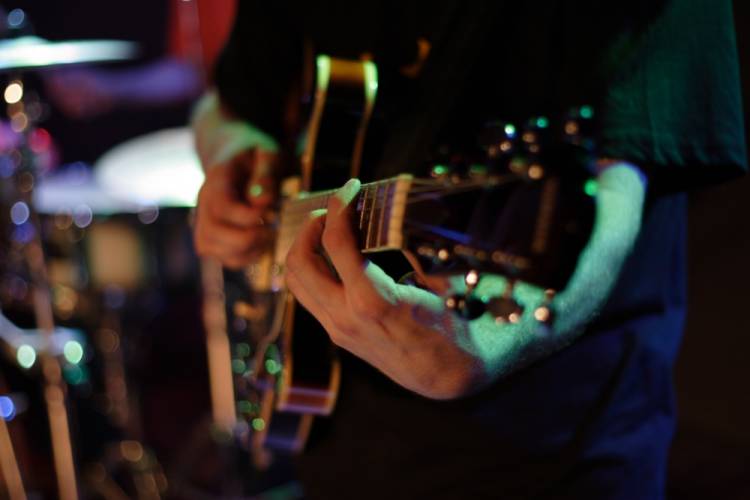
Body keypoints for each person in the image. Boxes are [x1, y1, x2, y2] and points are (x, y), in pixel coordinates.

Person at [192, 1, 747, 498]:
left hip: (553, 457)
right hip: (334, 448)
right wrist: (232, 157)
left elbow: (614, 196)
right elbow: (224, 106)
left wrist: (487, 343)